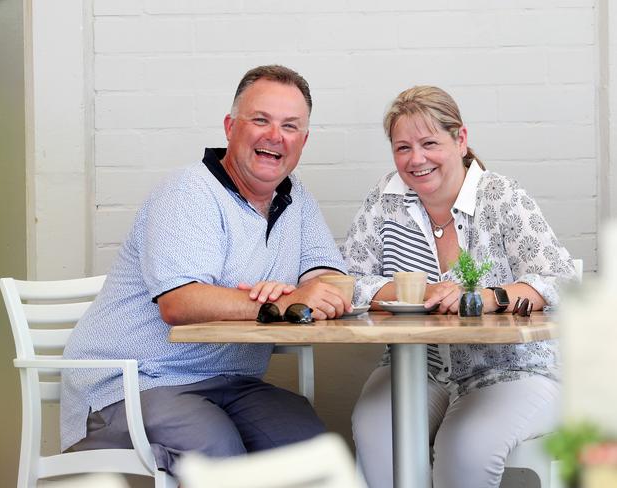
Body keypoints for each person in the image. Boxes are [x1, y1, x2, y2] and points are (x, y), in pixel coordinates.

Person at [60, 65, 352, 475]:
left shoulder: (296, 199)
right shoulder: (187, 191)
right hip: (136, 382)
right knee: (216, 450)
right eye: (261, 120)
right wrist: (287, 300)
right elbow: (180, 303)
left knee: (311, 451)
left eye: (290, 126)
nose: (275, 136)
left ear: (303, 141)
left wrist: (315, 293)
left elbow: (332, 281)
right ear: (231, 127)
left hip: (230, 381)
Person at [341, 86, 576, 488]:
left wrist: (485, 297)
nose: (416, 159)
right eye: (403, 148)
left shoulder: (502, 197)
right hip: (414, 365)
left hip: (512, 368)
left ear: (460, 140)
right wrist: (411, 294)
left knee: (462, 450)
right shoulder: (385, 200)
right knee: (375, 432)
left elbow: (562, 279)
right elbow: (345, 280)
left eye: (429, 143)